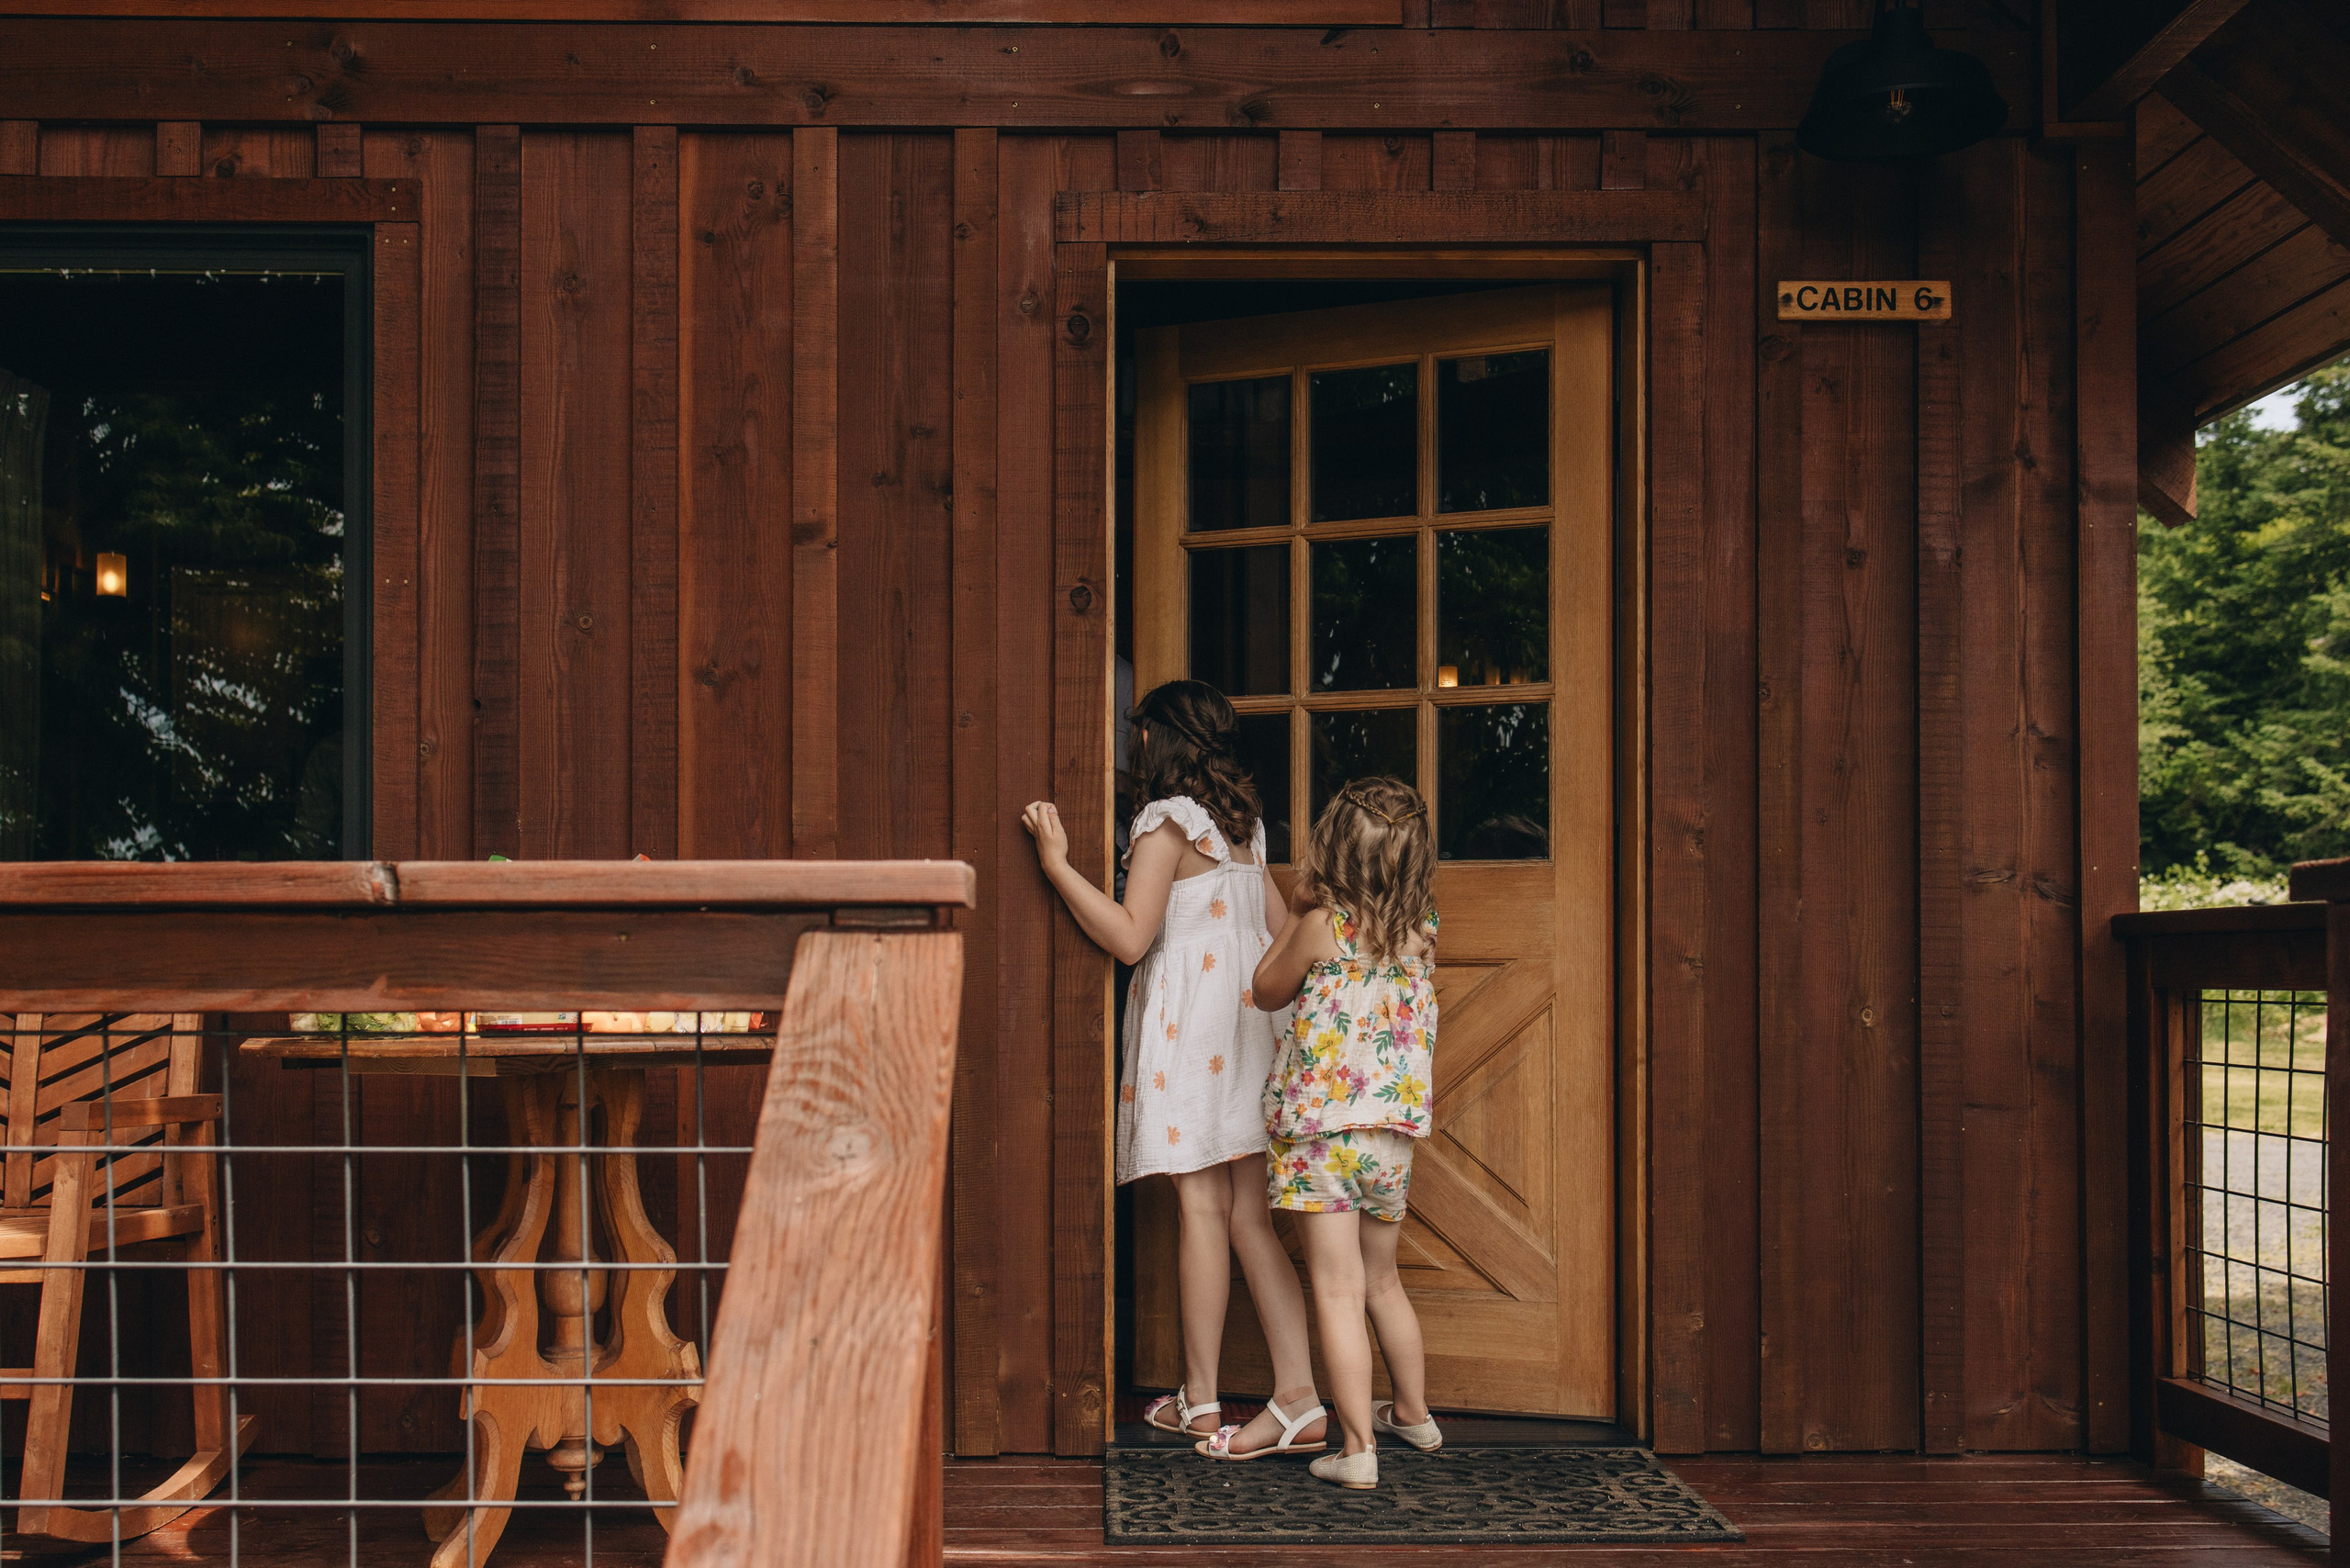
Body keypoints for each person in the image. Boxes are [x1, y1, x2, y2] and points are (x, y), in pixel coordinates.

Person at [1021, 678, 1327, 1459]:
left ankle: (1198, 1402)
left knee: (1200, 1209)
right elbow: (1273, 926)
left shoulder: (1163, 825)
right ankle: (1300, 1396)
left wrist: (1057, 866)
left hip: (1193, 1031)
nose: (1135, 741)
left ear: (1161, 739)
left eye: (1141, 731)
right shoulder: (1244, 826)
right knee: (1251, 1218)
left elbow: (1129, 938)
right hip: (1251, 1024)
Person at [1248, 776, 1442, 1489]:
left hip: (1321, 1137)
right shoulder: (1423, 935)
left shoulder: (1323, 926)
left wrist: (1296, 909)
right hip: (1390, 1139)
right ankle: (1414, 1414)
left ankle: (1357, 1448)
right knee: (1382, 1282)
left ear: (1331, 850)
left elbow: (1265, 987)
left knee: (1335, 1289)